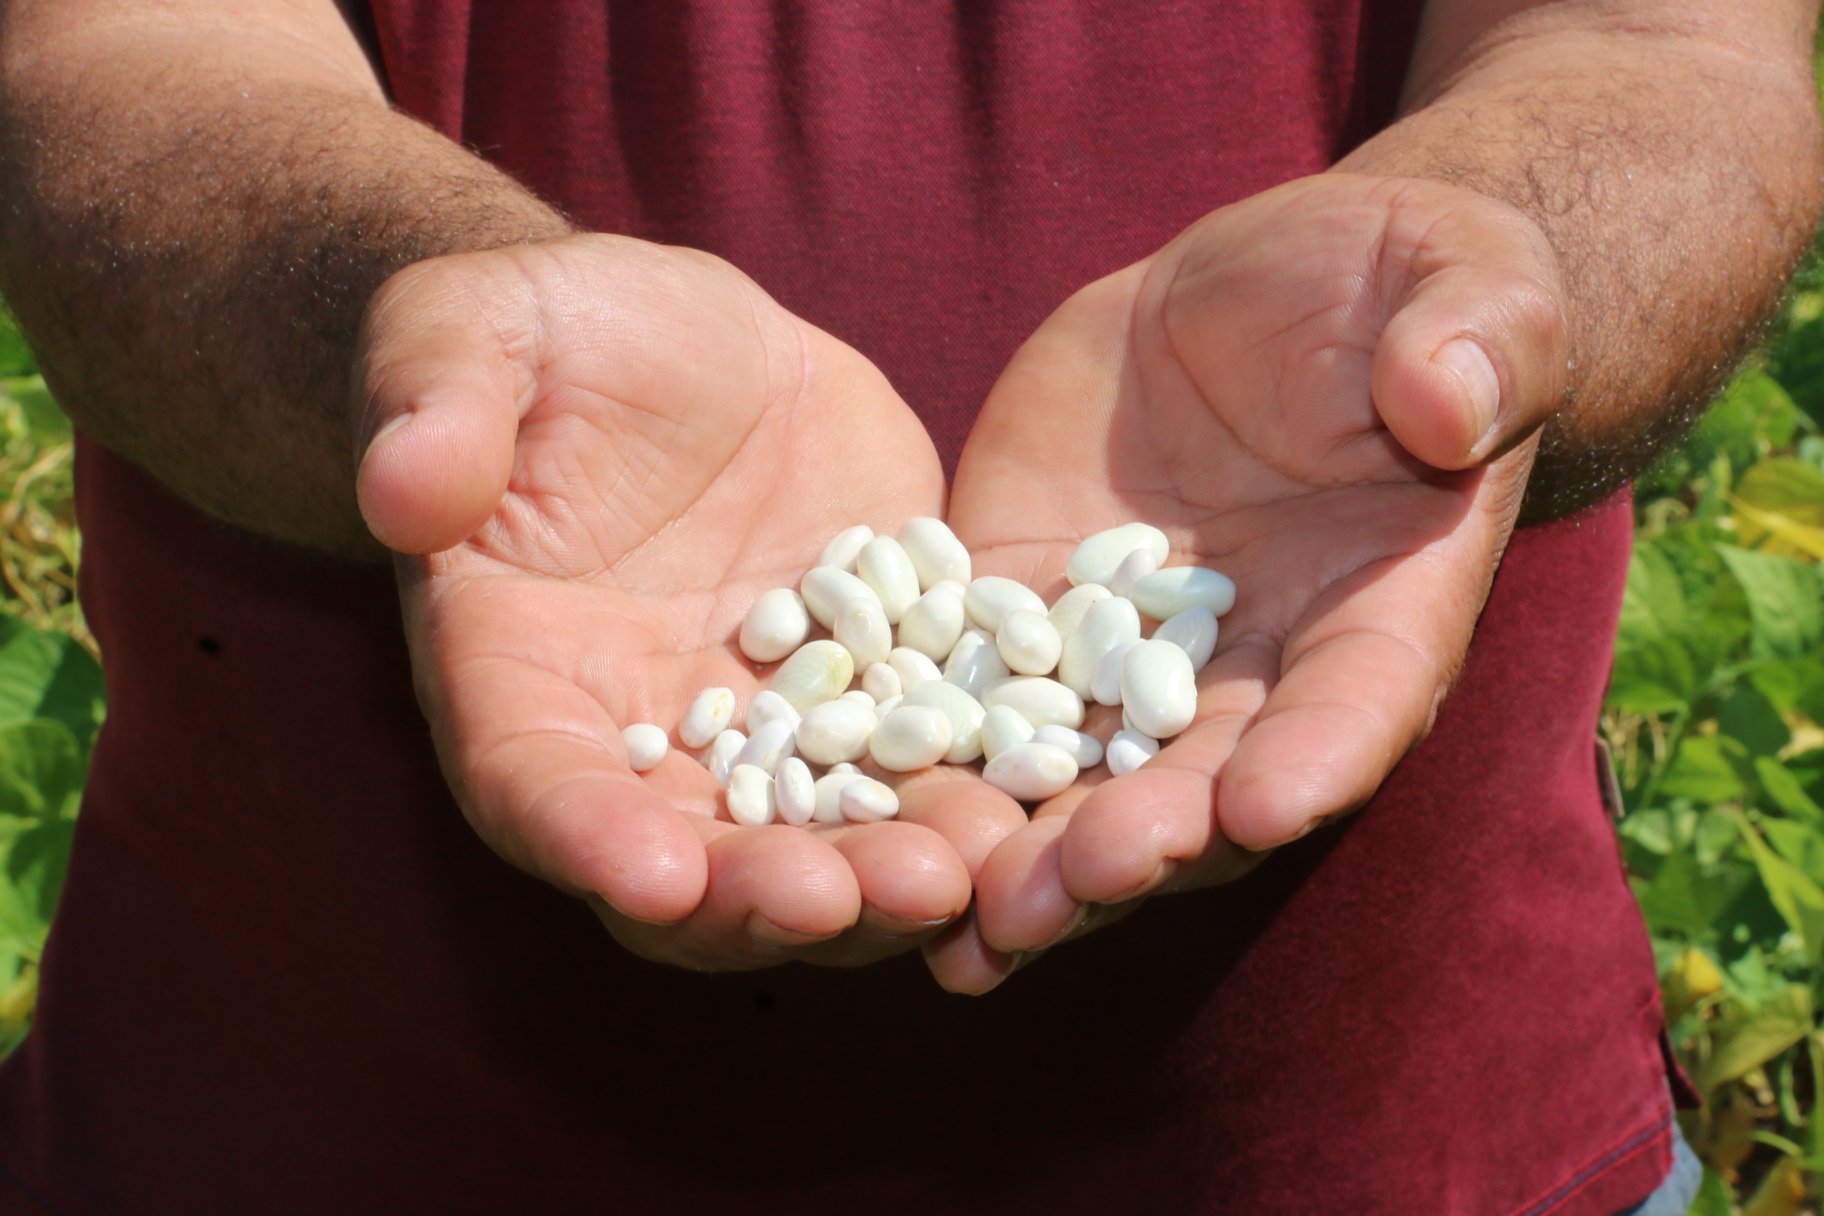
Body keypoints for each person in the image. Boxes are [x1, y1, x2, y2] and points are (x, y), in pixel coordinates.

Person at [0, 0, 1814, 1210]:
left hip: (1411, 1150)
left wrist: (1500, 271)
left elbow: (1670, 39)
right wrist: (407, 314)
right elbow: (113, 48)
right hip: (301, 1134)